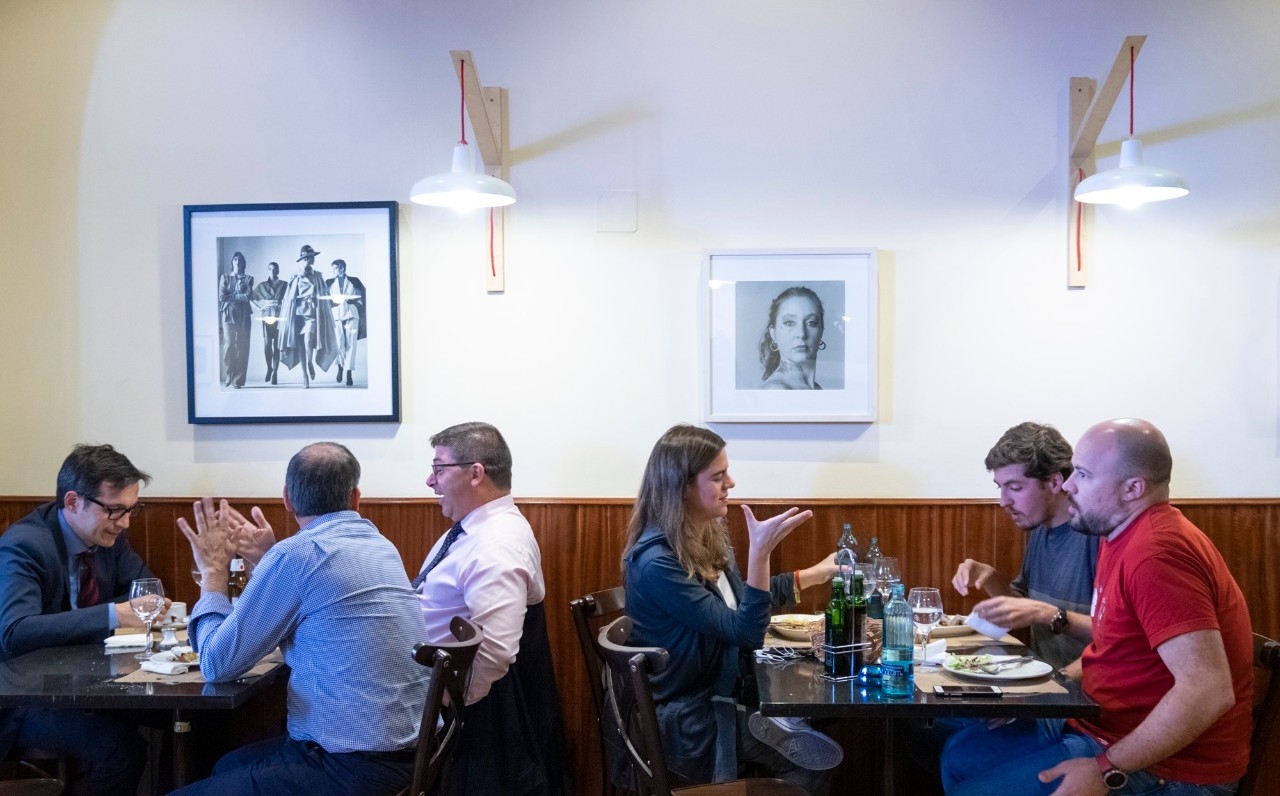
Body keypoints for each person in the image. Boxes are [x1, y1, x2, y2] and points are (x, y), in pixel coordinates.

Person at [941, 419, 1253, 796]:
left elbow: (1208, 690)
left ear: (1133, 489)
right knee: (959, 756)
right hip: (1099, 724)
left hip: (1174, 769)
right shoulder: (1116, 534)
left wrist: (1107, 768)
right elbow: (1113, 642)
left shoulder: (1157, 552)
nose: (1068, 485)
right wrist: (1046, 691)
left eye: (1083, 475)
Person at [171, 442, 429, 796]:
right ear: (356, 497)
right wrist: (267, 559)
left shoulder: (298, 555)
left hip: (349, 766)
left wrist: (214, 571)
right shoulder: (380, 545)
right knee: (224, 766)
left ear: (287, 499)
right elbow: (318, 602)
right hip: (409, 756)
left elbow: (216, 663)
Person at [622, 424, 842, 792]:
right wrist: (760, 554)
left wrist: (811, 575)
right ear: (683, 487)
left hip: (725, 692)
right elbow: (745, 630)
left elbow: (738, 605)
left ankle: (777, 722)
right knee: (813, 761)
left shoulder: (705, 534)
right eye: (718, 477)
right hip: (693, 717)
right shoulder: (657, 563)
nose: (732, 483)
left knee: (820, 721)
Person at [414, 421, 570, 795]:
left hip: (476, 733)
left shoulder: (496, 544)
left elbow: (492, 657)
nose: (430, 481)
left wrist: (444, 706)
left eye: (439, 468)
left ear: (476, 474)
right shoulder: (471, 529)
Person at [0, 443, 156, 795]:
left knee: (192, 720)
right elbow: (15, 631)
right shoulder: (25, 544)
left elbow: (147, 595)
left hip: (87, 682)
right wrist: (111, 614)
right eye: (116, 510)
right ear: (73, 502)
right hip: (22, 697)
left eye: (132, 510)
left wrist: (123, 609)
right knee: (118, 750)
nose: (126, 522)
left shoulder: (108, 536)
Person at [952, 422, 1099, 670]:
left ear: (1054, 483)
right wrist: (990, 579)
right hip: (1043, 679)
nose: (1003, 502)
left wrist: (1059, 682)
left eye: (1015, 488)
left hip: (1082, 694)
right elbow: (1023, 613)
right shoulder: (1040, 527)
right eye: (1001, 488)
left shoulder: (1097, 535)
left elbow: (1120, 640)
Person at [278, 244, 336, 388]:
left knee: (309, 340)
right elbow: (289, 298)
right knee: (300, 346)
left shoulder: (318, 276)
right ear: (305, 259)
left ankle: (310, 362)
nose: (313, 259)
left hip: (311, 313)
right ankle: (304, 375)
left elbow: (324, 294)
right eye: (310, 257)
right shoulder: (295, 276)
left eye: (313, 257)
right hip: (297, 315)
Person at [758, 286, 826, 390]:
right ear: (773, 333)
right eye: (789, 323)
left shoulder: (816, 388)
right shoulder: (776, 390)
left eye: (811, 323)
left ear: (821, 331)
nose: (802, 333)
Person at [325, 258, 365, 387]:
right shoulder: (329, 282)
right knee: (338, 343)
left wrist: (354, 303)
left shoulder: (355, 281)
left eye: (335, 268)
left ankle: (348, 373)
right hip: (336, 314)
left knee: (351, 344)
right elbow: (324, 299)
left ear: (342, 268)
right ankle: (340, 368)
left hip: (351, 313)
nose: (332, 271)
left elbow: (363, 297)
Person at [217, 251, 254, 388]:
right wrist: (240, 295)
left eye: (240, 260)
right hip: (228, 314)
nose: (238, 262)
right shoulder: (225, 277)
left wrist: (232, 296)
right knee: (230, 345)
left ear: (243, 263)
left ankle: (238, 381)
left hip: (244, 314)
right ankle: (229, 372)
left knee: (243, 346)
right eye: (235, 259)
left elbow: (249, 296)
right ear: (232, 262)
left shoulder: (249, 278)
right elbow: (222, 297)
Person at [251, 260, 287, 385]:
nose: (272, 271)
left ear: (278, 270)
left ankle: (275, 373)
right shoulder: (262, 286)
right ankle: (269, 368)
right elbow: (250, 297)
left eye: (275, 269)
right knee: (267, 345)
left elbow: (292, 298)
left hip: (280, 319)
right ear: (268, 270)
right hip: (267, 318)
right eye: (270, 269)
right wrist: (259, 307)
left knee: (277, 346)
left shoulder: (284, 285)